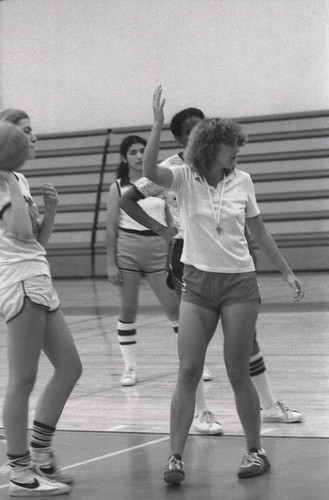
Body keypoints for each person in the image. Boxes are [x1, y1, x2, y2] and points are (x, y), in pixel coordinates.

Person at [142, 87, 305, 483]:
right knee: (188, 370)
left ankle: (255, 450)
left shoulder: (243, 181)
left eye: (237, 146)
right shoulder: (182, 176)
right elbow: (148, 173)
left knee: (237, 370)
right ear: (211, 146)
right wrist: (157, 126)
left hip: (239, 285)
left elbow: (260, 232)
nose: (236, 152)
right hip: (196, 285)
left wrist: (286, 271)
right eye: (231, 145)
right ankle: (175, 457)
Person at [0, 108, 83, 496]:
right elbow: (16, 232)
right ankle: (19, 472)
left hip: (37, 275)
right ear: (8, 140)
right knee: (22, 380)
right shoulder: (5, 182)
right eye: (25, 133)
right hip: (18, 281)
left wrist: (50, 213)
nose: (33, 139)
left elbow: (34, 239)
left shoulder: (18, 178)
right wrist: (10, 181)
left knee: (69, 367)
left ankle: (42, 453)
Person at [105, 135, 182, 388]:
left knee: (175, 308)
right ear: (124, 157)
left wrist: (174, 239)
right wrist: (111, 263)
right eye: (134, 152)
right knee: (128, 309)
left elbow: (172, 214)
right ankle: (130, 368)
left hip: (158, 248)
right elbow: (110, 228)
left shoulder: (160, 181)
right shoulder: (117, 187)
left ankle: (192, 363)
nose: (139, 156)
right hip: (128, 248)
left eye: (142, 151)